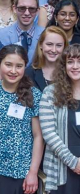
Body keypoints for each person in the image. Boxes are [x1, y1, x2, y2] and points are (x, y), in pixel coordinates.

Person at [0, 45, 44, 194]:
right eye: (8, 65)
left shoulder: (34, 94)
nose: (13, 71)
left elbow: (38, 136)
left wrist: (33, 172)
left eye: (19, 66)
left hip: (22, 172)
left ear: (24, 67)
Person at [39, 44, 80, 193]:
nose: (75, 66)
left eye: (79, 61)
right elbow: (49, 133)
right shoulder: (51, 93)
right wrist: (73, 162)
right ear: (64, 66)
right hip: (61, 165)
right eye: (70, 62)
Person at [0, 0, 45, 65]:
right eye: (22, 8)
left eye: (32, 9)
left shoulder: (44, 35)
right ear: (14, 9)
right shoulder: (1, 35)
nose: (27, 13)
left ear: (37, 11)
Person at [26, 26, 68, 91]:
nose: (54, 50)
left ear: (64, 47)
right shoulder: (29, 73)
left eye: (59, 45)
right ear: (40, 45)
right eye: (49, 44)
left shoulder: (70, 72)